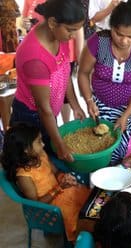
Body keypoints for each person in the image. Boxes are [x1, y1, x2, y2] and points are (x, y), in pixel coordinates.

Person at [78, 0, 131, 165]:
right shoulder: (98, 42)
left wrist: (125, 115)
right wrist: (89, 101)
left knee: (124, 149)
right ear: (111, 27)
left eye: (130, 36)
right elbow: (82, 73)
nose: (124, 41)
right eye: (119, 34)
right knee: (97, 146)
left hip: (129, 109)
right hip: (99, 108)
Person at [10, 0, 86, 162]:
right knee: (34, 165)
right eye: (70, 30)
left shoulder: (60, 36)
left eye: (77, 30)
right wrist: (60, 144)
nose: (73, 36)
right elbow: (43, 109)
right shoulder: (35, 58)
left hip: (48, 114)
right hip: (31, 117)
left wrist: (75, 104)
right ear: (52, 22)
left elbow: (64, 72)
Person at [0, 123, 91, 241]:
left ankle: (92, 226)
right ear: (26, 150)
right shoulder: (24, 176)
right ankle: (81, 239)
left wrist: (64, 177)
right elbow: (37, 203)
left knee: (85, 196)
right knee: (75, 216)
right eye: (38, 142)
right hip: (50, 206)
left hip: (60, 191)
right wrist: (59, 188)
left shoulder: (40, 155)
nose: (43, 145)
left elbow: (56, 171)